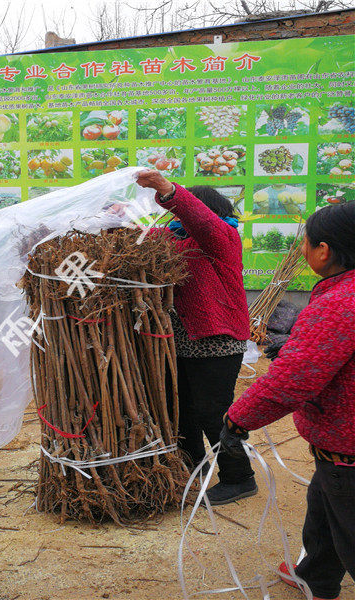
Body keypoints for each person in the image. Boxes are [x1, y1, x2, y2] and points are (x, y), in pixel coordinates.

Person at [221, 201, 355, 600]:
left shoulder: (339, 304)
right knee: (323, 506)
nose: (303, 250)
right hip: (338, 447)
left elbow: (294, 379)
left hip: (347, 446)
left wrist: (237, 419)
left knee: (345, 515)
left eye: (307, 243)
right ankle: (316, 577)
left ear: (324, 251)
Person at [136, 169, 256, 504]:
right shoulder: (173, 239)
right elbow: (140, 235)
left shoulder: (222, 238)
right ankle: (192, 471)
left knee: (211, 411)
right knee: (182, 409)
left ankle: (239, 477)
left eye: (183, 209)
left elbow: (201, 221)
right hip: (182, 342)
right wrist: (117, 215)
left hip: (218, 342)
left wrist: (168, 190)